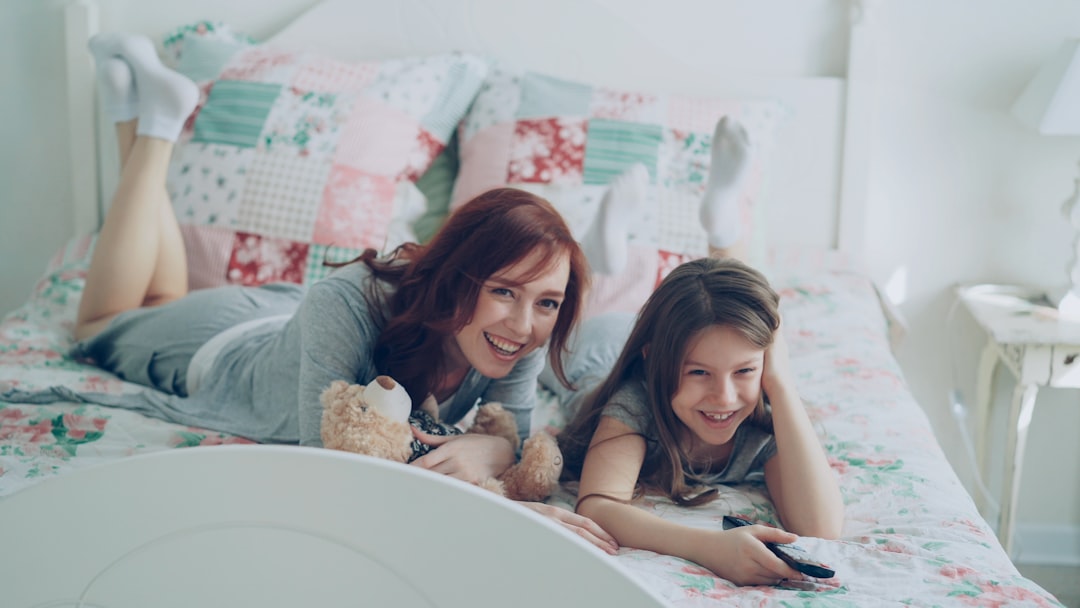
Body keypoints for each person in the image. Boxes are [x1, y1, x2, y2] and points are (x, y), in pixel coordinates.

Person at [2, 33, 621, 553]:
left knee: (161, 294)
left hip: (282, 323)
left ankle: (145, 113)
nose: (523, 324)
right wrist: (508, 514)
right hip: (222, 348)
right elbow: (324, 462)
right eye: (504, 292)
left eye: (546, 302)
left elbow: (508, 432)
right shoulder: (346, 300)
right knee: (104, 320)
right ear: (458, 277)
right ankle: (156, 130)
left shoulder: (526, 328)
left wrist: (491, 445)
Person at [549, 257, 844, 586]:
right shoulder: (635, 403)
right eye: (699, 372)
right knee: (565, 367)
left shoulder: (764, 420)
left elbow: (820, 527)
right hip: (592, 348)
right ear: (655, 364)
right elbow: (598, 507)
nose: (725, 397)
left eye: (745, 370)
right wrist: (711, 548)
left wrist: (781, 383)